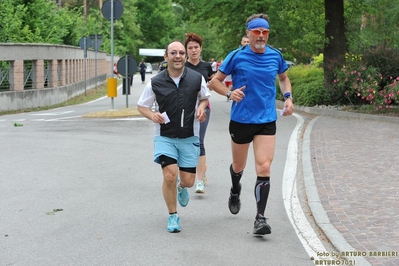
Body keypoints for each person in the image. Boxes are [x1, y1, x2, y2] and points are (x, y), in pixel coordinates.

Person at [208, 13, 294, 235]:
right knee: (239, 166)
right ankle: (235, 189)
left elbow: (283, 78)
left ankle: (260, 218)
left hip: (266, 120)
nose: (261, 36)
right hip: (241, 120)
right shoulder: (236, 56)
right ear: (248, 33)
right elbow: (214, 82)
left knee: (264, 166)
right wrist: (229, 92)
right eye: (257, 32)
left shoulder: (276, 56)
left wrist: (288, 97)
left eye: (265, 32)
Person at [137, 41, 210, 233]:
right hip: (165, 136)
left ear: (185, 56)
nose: (178, 56)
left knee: (188, 180)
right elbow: (142, 106)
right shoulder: (156, 82)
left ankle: (182, 187)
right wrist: (153, 115)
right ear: (166, 56)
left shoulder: (196, 79)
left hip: (188, 136)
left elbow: (204, 98)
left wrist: (201, 110)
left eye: (181, 53)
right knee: (169, 175)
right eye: (173, 53)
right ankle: (172, 216)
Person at [184, 32, 214, 194]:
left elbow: (213, 81)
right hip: (184, 109)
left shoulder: (206, 67)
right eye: (190, 48)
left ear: (201, 49)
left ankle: (200, 181)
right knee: (186, 142)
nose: (193, 50)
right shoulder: (182, 66)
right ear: (186, 50)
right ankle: (187, 173)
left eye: (196, 47)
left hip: (203, 108)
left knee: (199, 142)